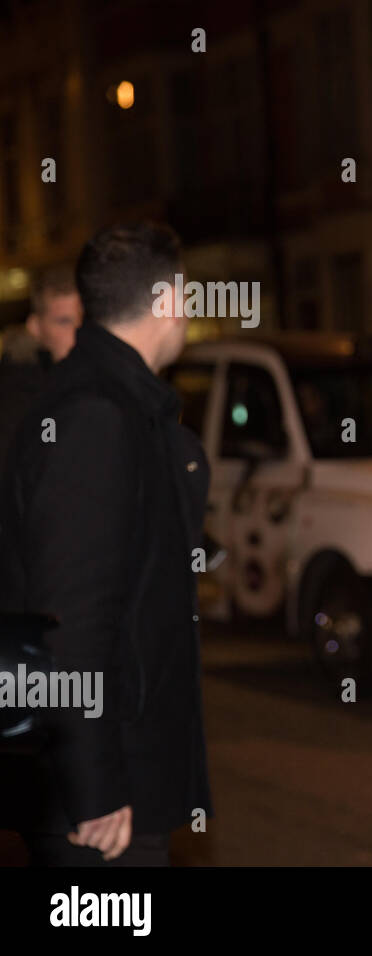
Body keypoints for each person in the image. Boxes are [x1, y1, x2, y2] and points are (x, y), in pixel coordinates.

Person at [0, 222, 212, 866]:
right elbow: (73, 619)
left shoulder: (121, 404)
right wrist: (93, 788)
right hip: (99, 809)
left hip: (119, 779)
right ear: (171, 301)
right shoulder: (96, 415)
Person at [0, 264, 82, 474]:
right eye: (64, 321)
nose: (77, 332)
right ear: (35, 327)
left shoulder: (81, 377)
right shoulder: (16, 393)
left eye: (84, 319)